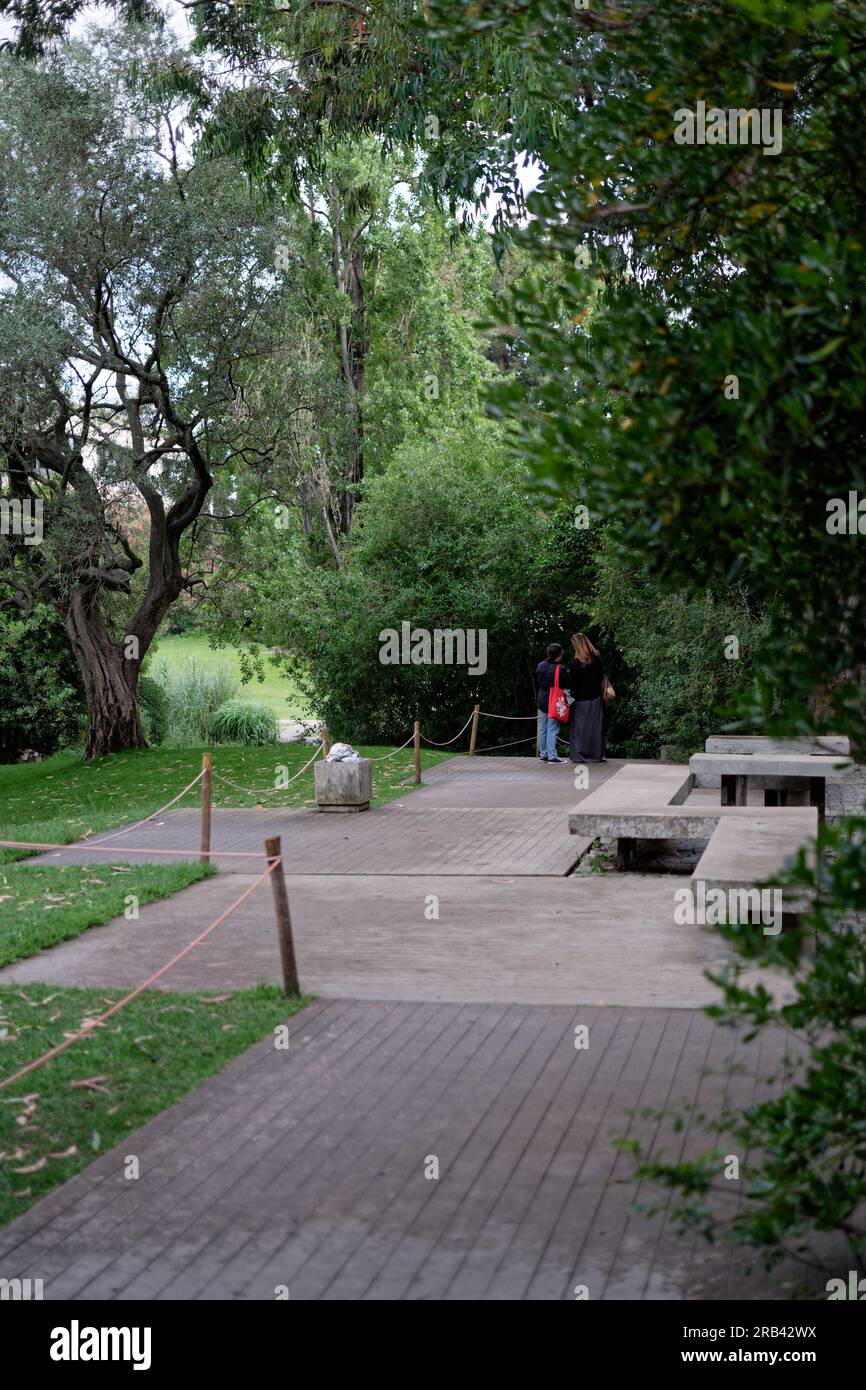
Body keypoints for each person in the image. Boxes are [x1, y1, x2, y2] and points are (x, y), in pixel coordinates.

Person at [565, 632, 607, 763]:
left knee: (579, 729)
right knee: (595, 727)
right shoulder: (597, 659)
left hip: (580, 700)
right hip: (596, 698)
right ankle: (596, 755)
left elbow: (571, 683)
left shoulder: (575, 664)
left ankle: (580, 755)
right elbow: (601, 677)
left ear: (577, 645)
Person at [535, 642, 569, 764]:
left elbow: (540, 682)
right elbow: (566, 684)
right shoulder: (561, 669)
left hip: (542, 699)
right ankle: (552, 756)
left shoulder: (540, 666)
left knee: (543, 729)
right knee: (552, 729)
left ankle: (543, 754)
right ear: (559, 654)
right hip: (554, 701)